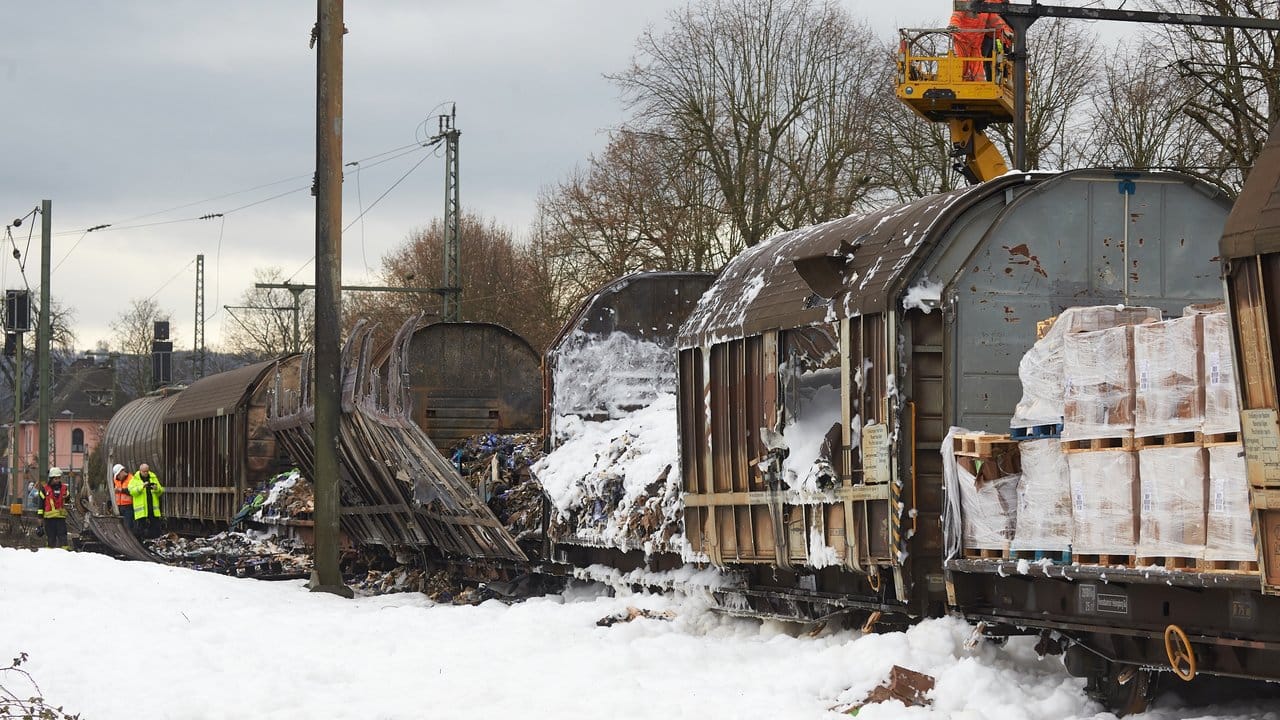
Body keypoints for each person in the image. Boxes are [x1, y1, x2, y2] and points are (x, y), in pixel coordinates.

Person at [127, 463, 165, 539]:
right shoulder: (134, 480)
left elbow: (161, 491)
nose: (146, 473)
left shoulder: (153, 477)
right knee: (141, 527)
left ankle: (154, 541)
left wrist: (156, 488)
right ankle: (141, 541)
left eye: (147, 471)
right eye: (144, 471)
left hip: (152, 508)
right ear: (140, 471)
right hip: (141, 510)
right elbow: (131, 491)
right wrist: (142, 487)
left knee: (155, 527)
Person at [37, 467, 71, 549]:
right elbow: (41, 506)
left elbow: (68, 501)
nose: (58, 480)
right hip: (49, 520)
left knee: (63, 539)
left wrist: (67, 497)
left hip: (61, 519)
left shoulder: (64, 488)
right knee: (50, 540)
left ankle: (65, 557)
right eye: (56, 478)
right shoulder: (44, 490)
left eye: (59, 478)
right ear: (51, 479)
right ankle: (50, 558)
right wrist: (40, 521)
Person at [111, 463, 134, 531]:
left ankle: (129, 539)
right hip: (118, 506)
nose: (118, 477)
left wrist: (121, 490)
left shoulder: (131, 479)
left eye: (118, 475)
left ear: (122, 471)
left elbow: (133, 491)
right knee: (119, 526)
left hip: (128, 506)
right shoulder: (115, 480)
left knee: (128, 526)